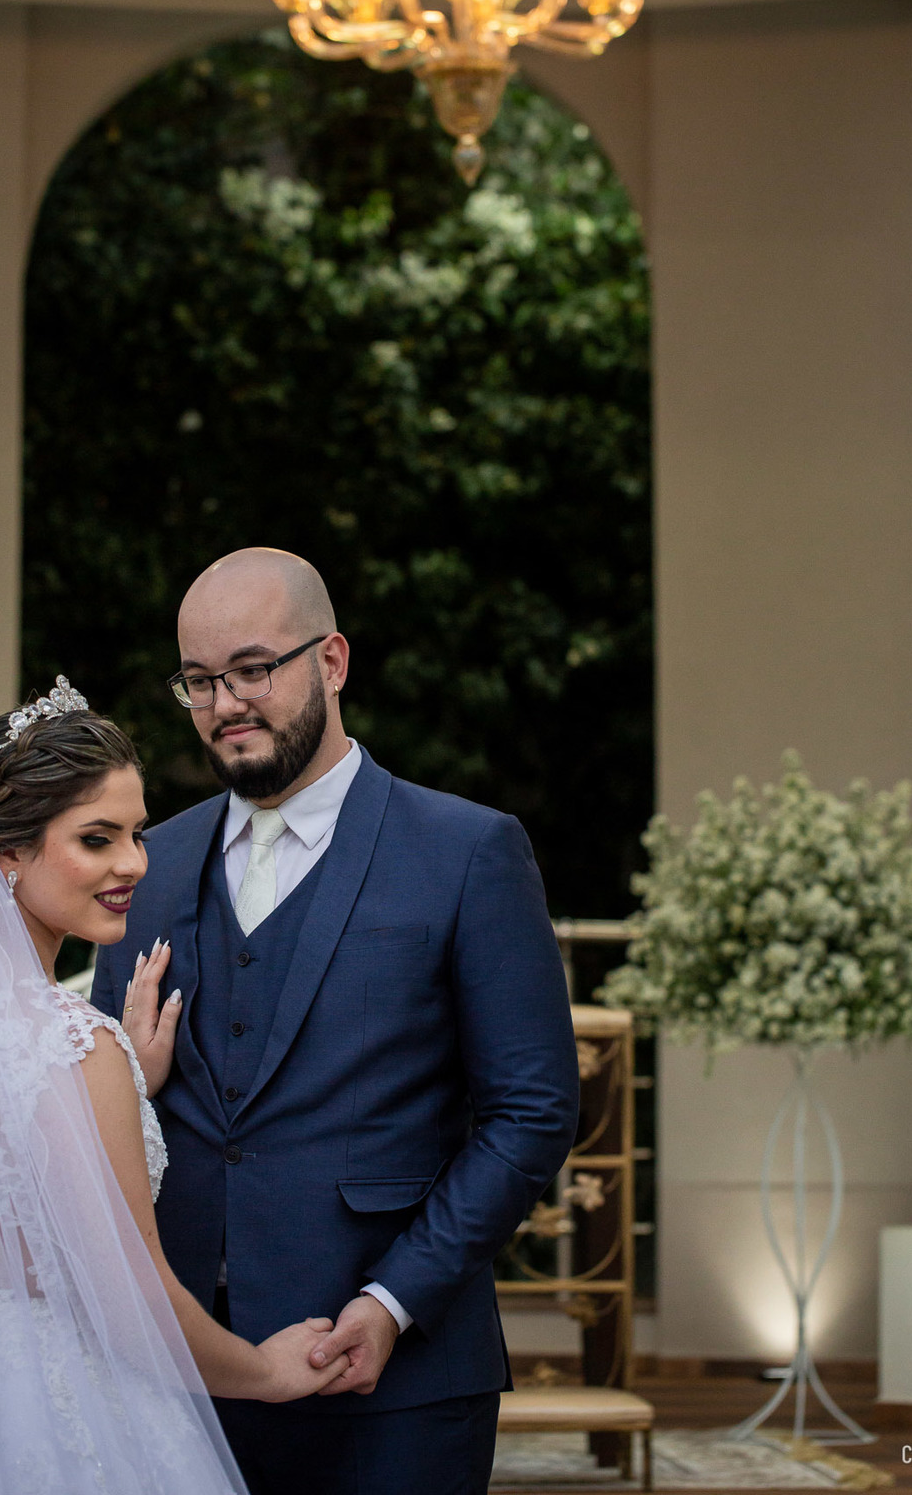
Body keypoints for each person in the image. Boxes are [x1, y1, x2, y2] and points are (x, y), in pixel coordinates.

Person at [92, 547, 581, 1495]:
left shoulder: (468, 851)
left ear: (333, 661)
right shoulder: (143, 866)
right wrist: (136, 1089)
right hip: (183, 1376)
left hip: (400, 1385)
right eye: (199, 681)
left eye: (253, 668)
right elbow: (106, 1112)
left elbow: (533, 1113)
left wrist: (394, 1302)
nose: (226, 702)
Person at [0, 683, 348, 1495]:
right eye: (96, 838)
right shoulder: (76, 1047)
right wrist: (264, 1371)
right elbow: (131, 1301)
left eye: (137, 834)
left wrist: (127, 1091)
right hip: (54, 1413)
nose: (133, 865)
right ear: (5, 856)